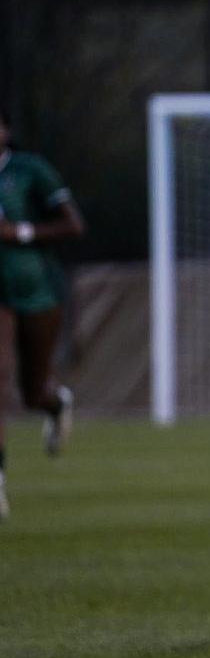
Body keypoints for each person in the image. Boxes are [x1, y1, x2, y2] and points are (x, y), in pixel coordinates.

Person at [0, 109, 86, 521]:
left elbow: (73, 225)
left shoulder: (28, 170)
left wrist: (22, 232)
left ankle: (55, 405)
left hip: (36, 289)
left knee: (32, 390)